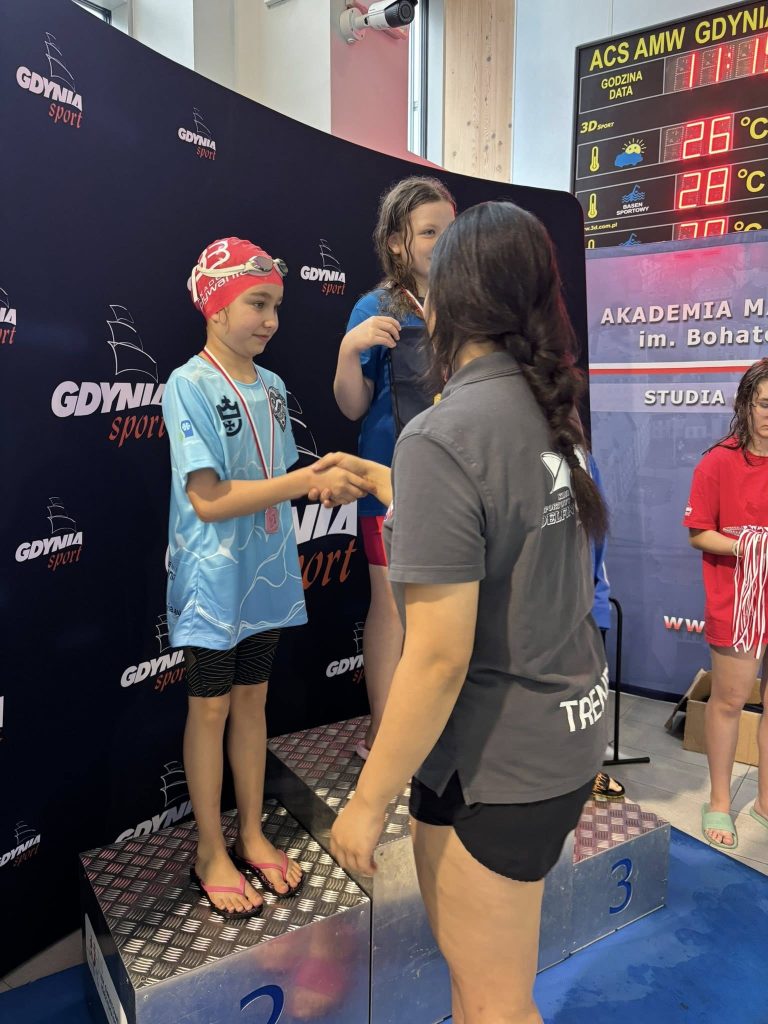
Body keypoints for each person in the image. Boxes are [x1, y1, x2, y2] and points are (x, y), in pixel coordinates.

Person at [319, 202, 610, 1024]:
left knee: (494, 1007)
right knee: (484, 993)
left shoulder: (443, 434)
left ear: (444, 299)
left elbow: (439, 657)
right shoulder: (549, 407)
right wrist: (394, 484)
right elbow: (502, 520)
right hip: (562, 737)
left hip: (494, 765)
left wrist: (367, 801)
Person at [162, 237, 368, 919]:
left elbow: (278, 479)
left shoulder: (274, 388)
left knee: (252, 703)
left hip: (267, 572)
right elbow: (208, 498)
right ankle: (208, 850)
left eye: (277, 306)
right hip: (214, 579)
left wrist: (322, 481)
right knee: (210, 708)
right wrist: (305, 481)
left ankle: (250, 833)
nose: (271, 320)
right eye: (257, 303)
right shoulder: (188, 384)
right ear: (215, 307)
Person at [333, 176, 456, 759]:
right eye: (429, 231)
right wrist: (349, 350)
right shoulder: (374, 307)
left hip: (455, 483)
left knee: (447, 610)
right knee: (391, 609)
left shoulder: (470, 304)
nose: (442, 241)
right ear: (396, 242)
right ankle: (383, 734)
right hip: (387, 482)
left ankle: (433, 731)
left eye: (449, 230)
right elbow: (353, 406)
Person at [684, 358, 768, 850]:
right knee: (731, 700)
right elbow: (699, 533)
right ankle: (719, 801)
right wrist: (752, 547)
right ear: (746, 404)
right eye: (765, 404)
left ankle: (765, 802)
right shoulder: (718, 461)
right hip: (737, 600)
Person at [588, 453, 625, 801]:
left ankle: (586, 769)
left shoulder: (581, 457)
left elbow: (597, 539)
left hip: (584, 607)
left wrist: (596, 602)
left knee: (587, 701)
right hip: (526, 613)